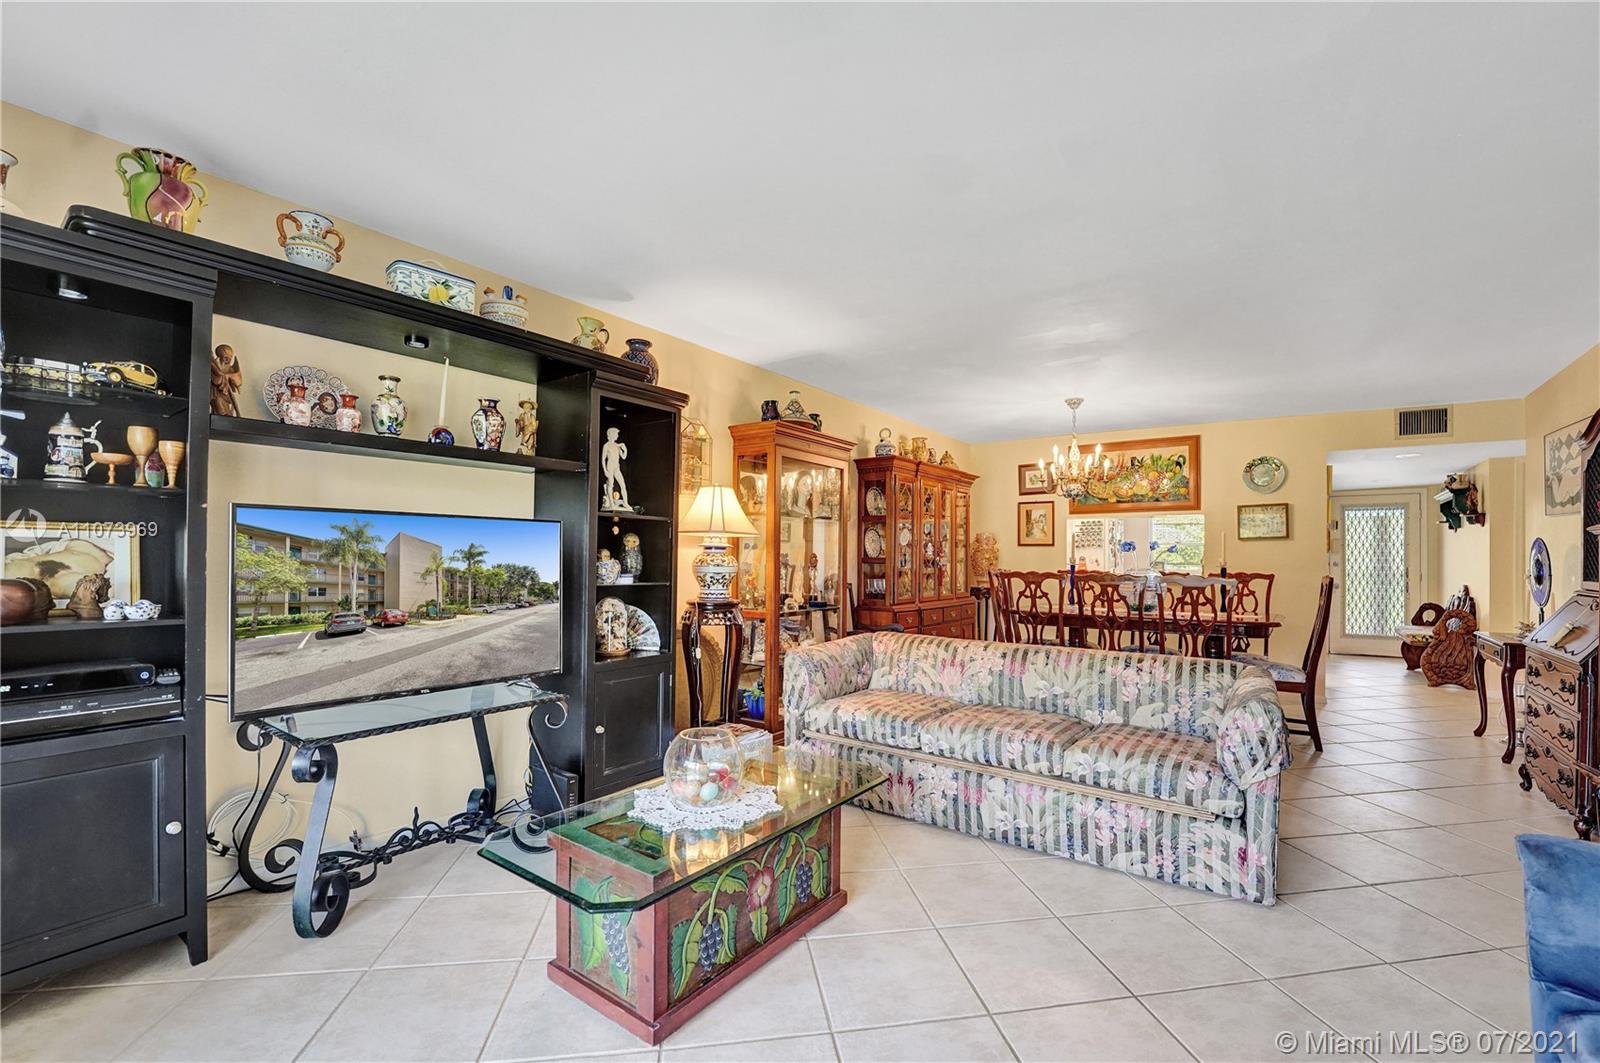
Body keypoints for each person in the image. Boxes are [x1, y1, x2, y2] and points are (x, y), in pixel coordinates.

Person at [601, 426, 630, 511]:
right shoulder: (606, 445)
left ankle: (626, 503)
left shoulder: (617, 445)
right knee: (610, 484)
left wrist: (625, 449)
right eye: (616, 434)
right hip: (610, 466)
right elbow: (603, 459)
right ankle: (611, 504)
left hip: (617, 467)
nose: (617, 436)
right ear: (611, 435)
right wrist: (605, 470)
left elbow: (623, 457)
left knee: (623, 485)